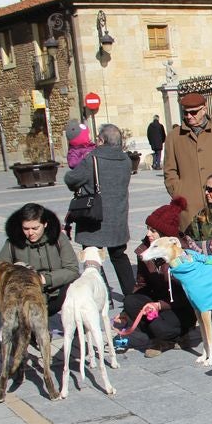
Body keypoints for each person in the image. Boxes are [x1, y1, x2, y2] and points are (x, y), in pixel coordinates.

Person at [63, 123, 134, 299]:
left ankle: (102, 296)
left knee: (93, 257)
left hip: (93, 215)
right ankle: (132, 294)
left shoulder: (92, 159)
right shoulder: (126, 160)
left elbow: (71, 179)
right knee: (119, 255)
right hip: (117, 215)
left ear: (101, 140)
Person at [119, 197, 196, 358]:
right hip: (158, 300)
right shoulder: (145, 251)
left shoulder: (182, 255)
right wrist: (127, 312)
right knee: (130, 301)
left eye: (153, 230)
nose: (148, 234)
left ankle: (174, 336)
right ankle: (163, 337)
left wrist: (159, 306)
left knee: (161, 328)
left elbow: (187, 295)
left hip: (180, 307)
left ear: (165, 235)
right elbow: (141, 283)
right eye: (148, 228)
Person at [164, 92, 212, 233]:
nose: (189, 116)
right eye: (185, 113)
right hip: (189, 206)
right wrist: (178, 192)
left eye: (193, 112)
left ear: (204, 109)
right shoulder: (174, 137)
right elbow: (170, 171)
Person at [0, 203, 79, 316]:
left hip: (57, 293)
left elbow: (72, 270)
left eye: (35, 228)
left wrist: (45, 279)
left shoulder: (58, 239)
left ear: (45, 224)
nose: (30, 233)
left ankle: (77, 323)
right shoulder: (13, 243)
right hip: (27, 297)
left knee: (79, 284)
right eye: (26, 228)